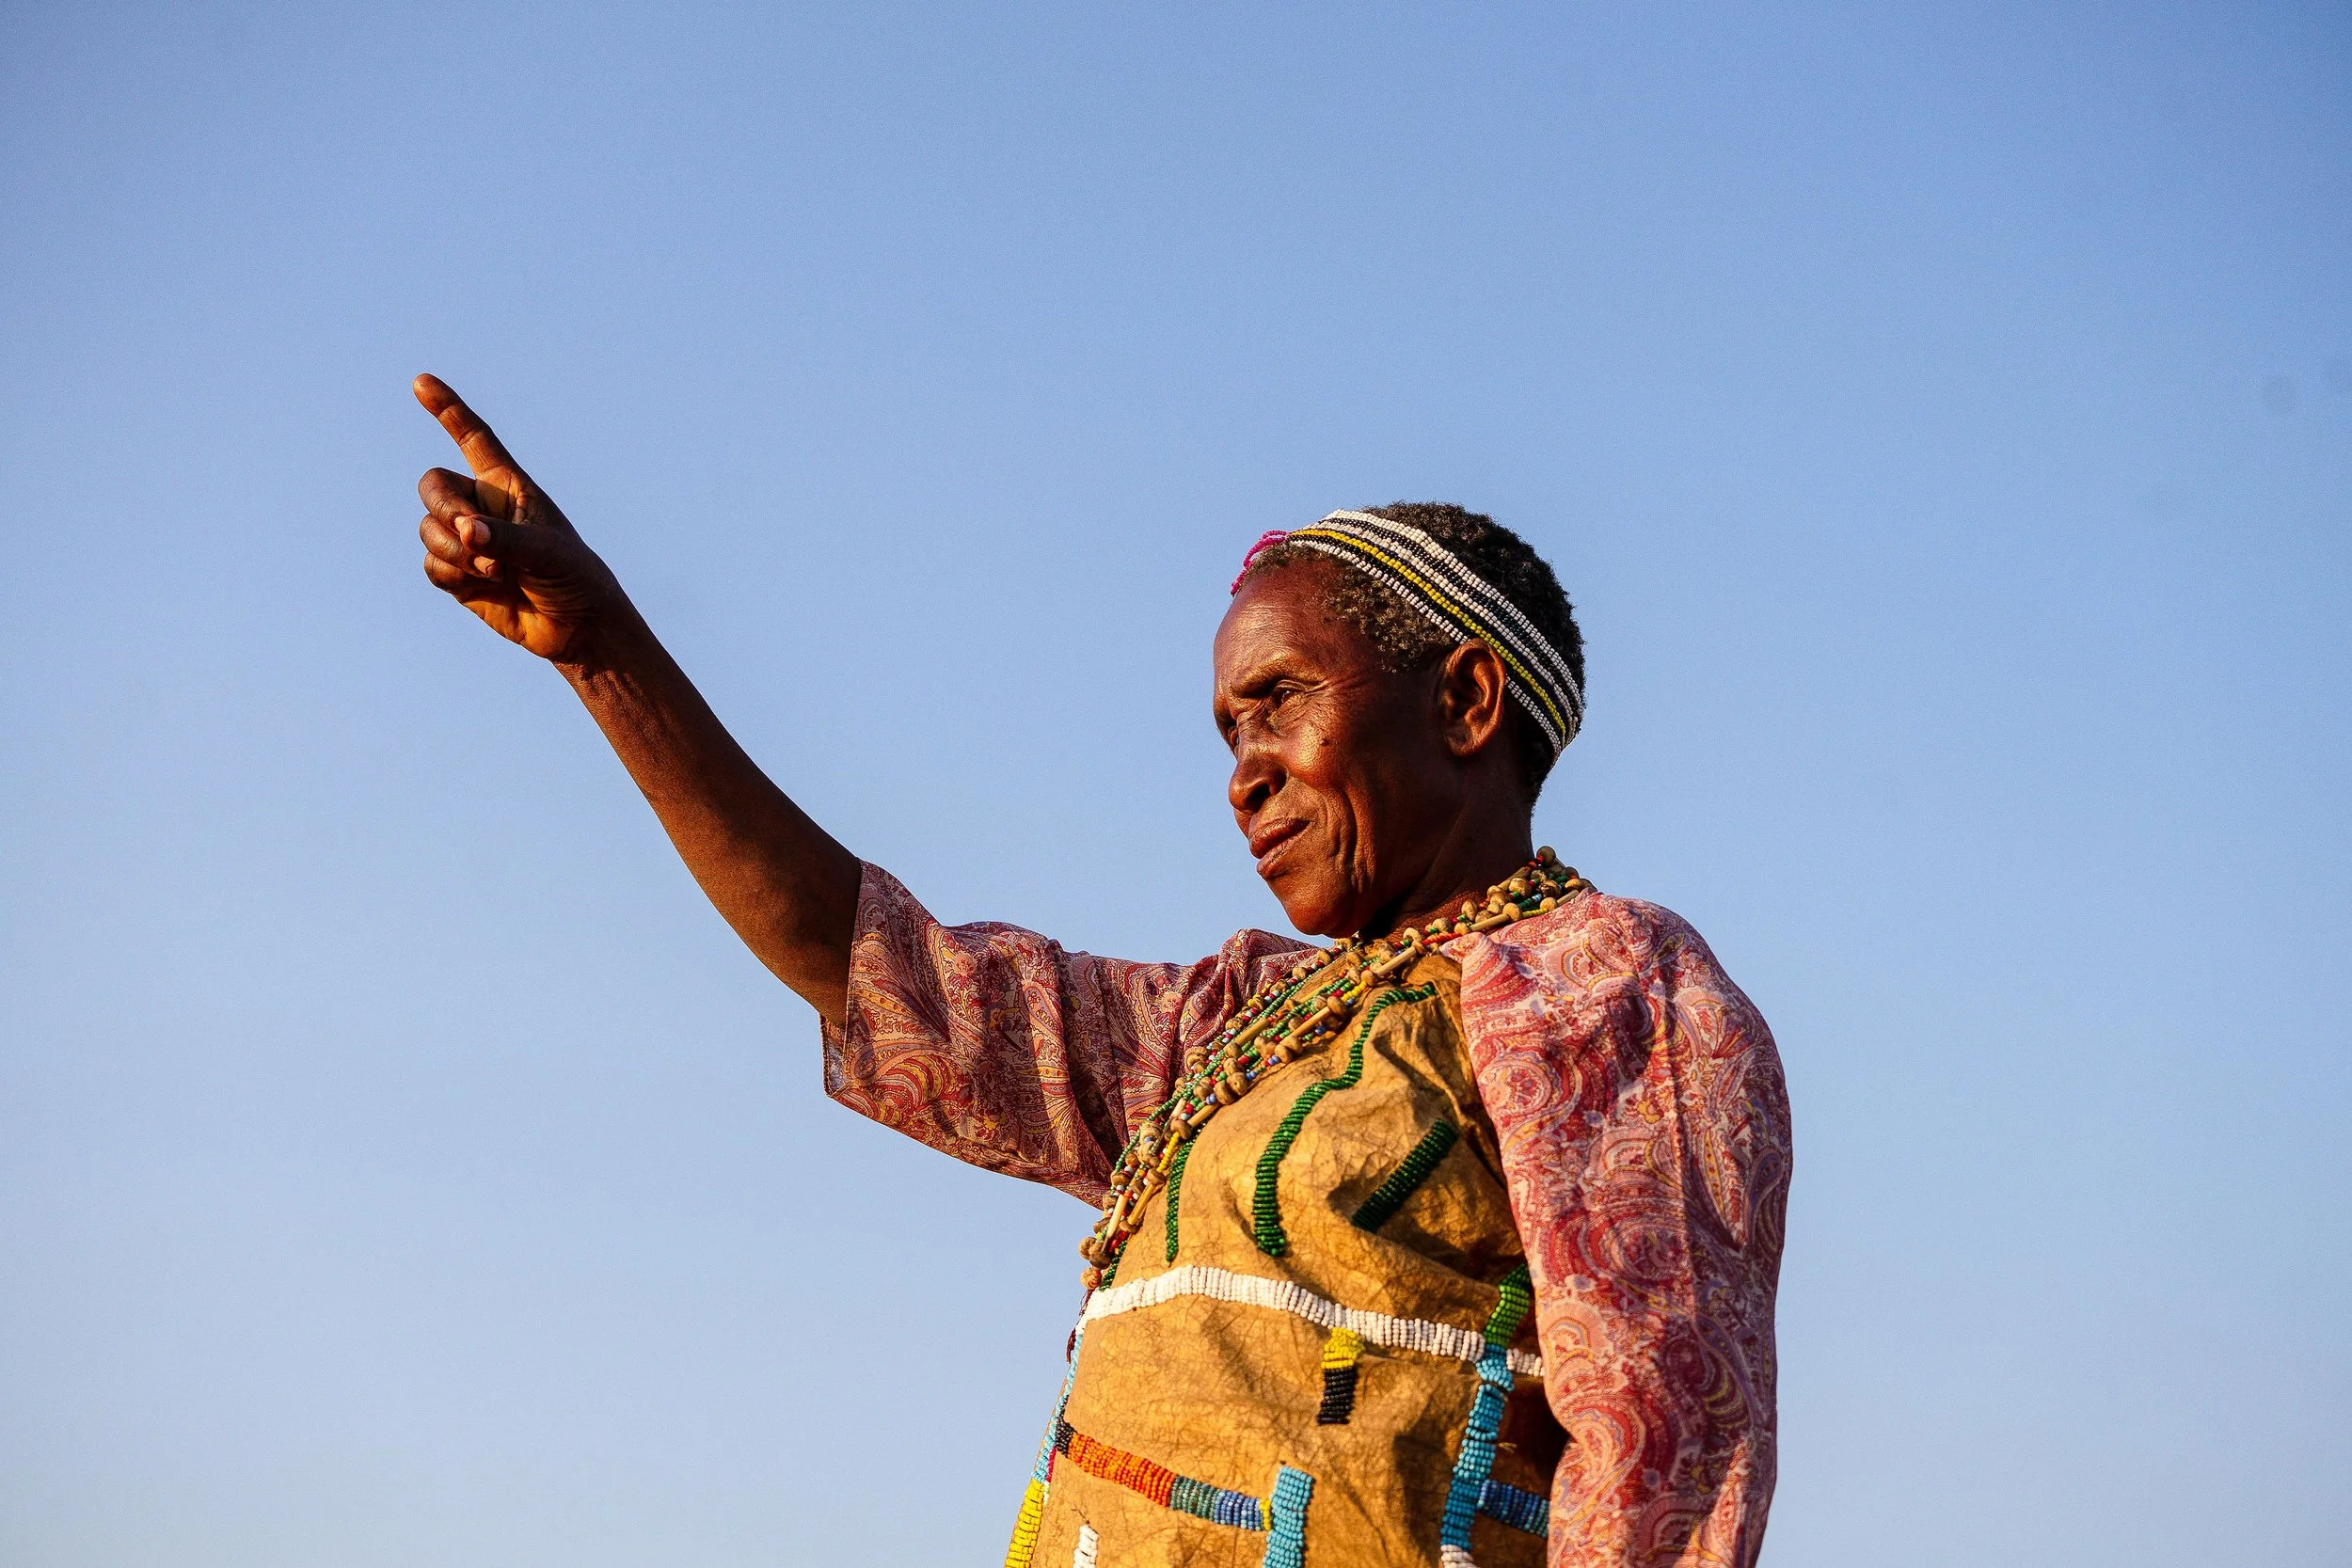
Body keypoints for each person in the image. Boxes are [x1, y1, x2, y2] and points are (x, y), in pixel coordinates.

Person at [410, 373, 1791, 1568]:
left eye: (1280, 701)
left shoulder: (1608, 987)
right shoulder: (1239, 1025)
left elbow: (1664, 1455)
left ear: (1465, 704)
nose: (1243, 774)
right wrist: (606, 657)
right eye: (1221, 731)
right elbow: (877, 970)